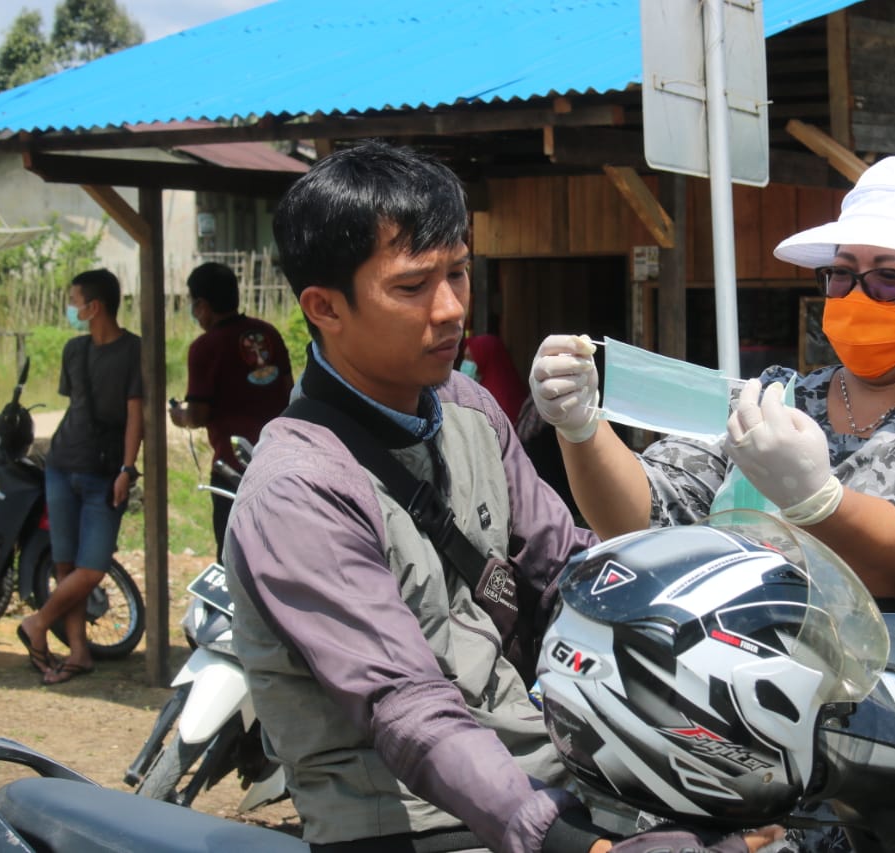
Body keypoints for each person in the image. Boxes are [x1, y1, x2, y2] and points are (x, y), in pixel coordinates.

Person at [224, 141, 779, 853]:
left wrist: (726, 636)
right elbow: (408, 708)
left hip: (553, 777)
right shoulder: (299, 488)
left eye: (458, 272)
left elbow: (571, 574)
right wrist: (569, 842)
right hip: (419, 821)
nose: (451, 307)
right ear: (324, 307)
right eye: (412, 286)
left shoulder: (469, 410)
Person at [529, 150, 895, 643]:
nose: (857, 295)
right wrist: (582, 429)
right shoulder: (777, 397)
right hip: (741, 691)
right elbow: (642, 516)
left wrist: (815, 499)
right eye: (842, 274)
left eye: (889, 278)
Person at [18, 268, 143, 685]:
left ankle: (37, 623)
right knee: (65, 563)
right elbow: (76, 407)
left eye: (74, 302)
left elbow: (135, 415)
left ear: (94, 307)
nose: (71, 309)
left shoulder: (134, 351)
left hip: (104, 473)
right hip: (61, 465)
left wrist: (127, 468)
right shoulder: (74, 349)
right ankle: (79, 652)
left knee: (92, 566)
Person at [169, 261, 293, 560]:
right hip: (282, 460)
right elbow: (289, 389)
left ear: (201, 305)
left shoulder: (205, 347)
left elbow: (197, 415)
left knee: (233, 557)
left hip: (234, 468)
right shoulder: (268, 333)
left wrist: (180, 416)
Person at [461, 332, 528, 428]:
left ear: (483, 359)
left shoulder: (497, 398)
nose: (465, 363)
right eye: (465, 358)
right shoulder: (482, 386)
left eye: (469, 358)